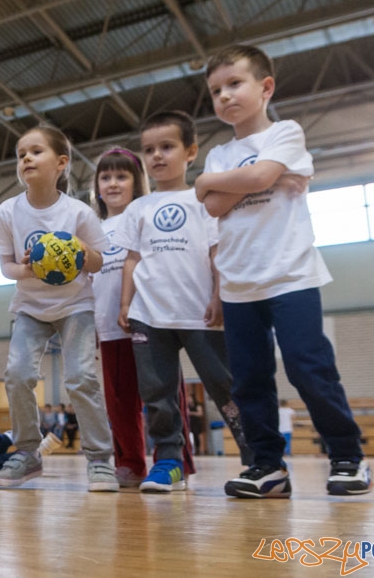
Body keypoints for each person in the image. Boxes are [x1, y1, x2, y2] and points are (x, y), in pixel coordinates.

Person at [194, 44, 371, 497]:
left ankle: (348, 456)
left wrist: (230, 182)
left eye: (235, 84)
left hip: (291, 274)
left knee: (308, 368)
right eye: (216, 90)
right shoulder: (217, 155)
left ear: (265, 87)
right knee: (250, 379)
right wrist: (218, 181)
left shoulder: (286, 134)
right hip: (237, 284)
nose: (225, 96)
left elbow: (241, 185)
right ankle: (267, 466)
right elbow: (212, 202)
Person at [117, 110, 251, 493]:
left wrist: (218, 295)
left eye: (167, 147)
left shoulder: (204, 201)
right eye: (149, 149)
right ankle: (168, 461)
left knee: (225, 385)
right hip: (148, 315)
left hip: (200, 314)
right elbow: (132, 259)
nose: (157, 156)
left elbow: (216, 253)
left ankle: (256, 456)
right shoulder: (137, 209)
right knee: (156, 392)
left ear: (190, 152)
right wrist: (126, 305)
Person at [0, 124, 118, 492]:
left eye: (35, 151)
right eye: (20, 154)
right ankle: (28, 452)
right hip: (30, 307)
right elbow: (6, 268)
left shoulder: (77, 213)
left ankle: (99, 459)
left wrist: (78, 249)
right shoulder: (8, 212)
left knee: (80, 378)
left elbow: (98, 262)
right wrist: (26, 268)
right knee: (16, 374)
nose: (26, 158)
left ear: (61, 163)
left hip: (75, 305)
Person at [89, 146, 198, 485]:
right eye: (105, 177)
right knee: (118, 403)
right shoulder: (92, 228)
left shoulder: (145, 215)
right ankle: (130, 463)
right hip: (110, 327)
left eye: (121, 176)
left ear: (137, 182)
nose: (113, 183)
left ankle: (176, 460)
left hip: (150, 320)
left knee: (163, 396)